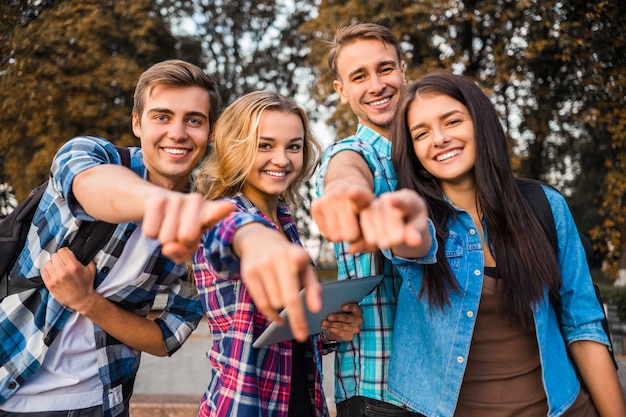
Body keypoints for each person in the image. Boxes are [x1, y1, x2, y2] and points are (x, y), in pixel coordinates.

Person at [355, 72, 626, 416]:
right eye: (421, 133)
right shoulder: (415, 220)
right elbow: (411, 241)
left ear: (480, 123)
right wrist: (396, 220)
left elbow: (583, 324)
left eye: (451, 121)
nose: (438, 138)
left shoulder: (545, 205)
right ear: (412, 151)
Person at [0, 59, 235, 417]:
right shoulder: (90, 154)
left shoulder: (206, 220)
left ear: (210, 132)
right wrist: (162, 203)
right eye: (162, 117)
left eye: (194, 120)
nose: (178, 132)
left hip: (100, 402)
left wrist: (87, 301)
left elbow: (166, 337)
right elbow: (91, 185)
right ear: (137, 123)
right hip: (9, 382)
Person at [191, 90, 363, 417]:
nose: (282, 159)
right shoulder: (221, 214)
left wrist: (326, 331)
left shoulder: (284, 221)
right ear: (235, 148)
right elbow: (228, 232)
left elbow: (280, 334)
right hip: (243, 407)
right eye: (265, 145)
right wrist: (253, 240)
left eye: (293, 146)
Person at [310, 23, 420, 416]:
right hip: (379, 393)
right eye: (359, 76)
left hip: (447, 388)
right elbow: (344, 171)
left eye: (385, 69)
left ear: (403, 72)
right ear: (341, 91)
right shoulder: (352, 152)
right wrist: (346, 194)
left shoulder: (430, 157)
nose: (376, 85)